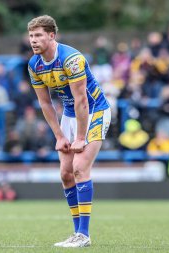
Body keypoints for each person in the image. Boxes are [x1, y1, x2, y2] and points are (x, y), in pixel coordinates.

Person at [27, 15, 111, 248]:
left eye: (38, 35)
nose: (33, 40)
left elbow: (81, 100)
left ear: (52, 36)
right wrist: (60, 136)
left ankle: (84, 235)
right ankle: (76, 233)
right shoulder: (34, 64)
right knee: (65, 174)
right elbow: (45, 104)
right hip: (70, 115)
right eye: (31, 36)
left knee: (79, 168)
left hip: (94, 112)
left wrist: (80, 137)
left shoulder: (71, 59)